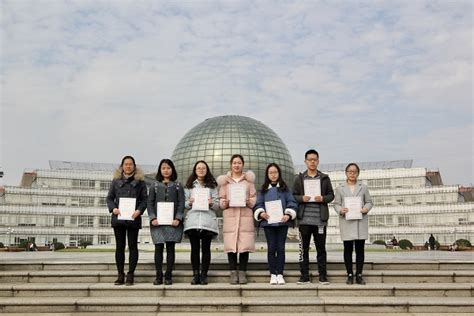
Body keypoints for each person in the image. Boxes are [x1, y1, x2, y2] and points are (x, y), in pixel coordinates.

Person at [293, 149, 334, 285]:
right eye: (309, 159)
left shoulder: (324, 178)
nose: (312, 162)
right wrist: (301, 198)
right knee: (303, 249)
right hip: (304, 219)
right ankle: (304, 276)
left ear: (318, 161)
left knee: (321, 248)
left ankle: (322, 276)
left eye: (314, 159)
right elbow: (293, 196)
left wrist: (322, 198)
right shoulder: (299, 178)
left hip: (320, 220)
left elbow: (331, 195)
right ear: (305, 161)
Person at [106, 155, 147, 286]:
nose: (128, 166)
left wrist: (139, 211)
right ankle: (120, 274)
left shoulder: (140, 182)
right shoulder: (115, 181)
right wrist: (113, 209)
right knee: (119, 247)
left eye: (130, 164)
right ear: (122, 166)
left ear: (134, 166)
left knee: (133, 246)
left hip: (133, 218)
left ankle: (130, 274)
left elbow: (144, 200)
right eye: (126, 164)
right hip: (119, 219)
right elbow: (109, 198)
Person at [254, 163, 297, 285]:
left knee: (281, 249)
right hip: (269, 224)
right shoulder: (263, 190)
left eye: (275, 172)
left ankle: (280, 274)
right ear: (267, 175)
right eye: (271, 173)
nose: (273, 175)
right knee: (271, 248)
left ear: (279, 174)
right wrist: (261, 213)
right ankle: (273, 274)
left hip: (282, 223)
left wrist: (288, 214)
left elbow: (292, 202)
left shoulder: (285, 189)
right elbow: (258, 204)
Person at [217, 154, 256, 284]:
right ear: (231, 165)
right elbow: (221, 199)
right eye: (234, 163)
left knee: (244, 245)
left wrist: (249, 201)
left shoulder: (248, 182)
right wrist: (225, 202)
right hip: (231, 217)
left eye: (239, 163)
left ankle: (243, 272)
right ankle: (233, 272)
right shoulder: (225, 183)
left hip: (245, 216)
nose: (237, 165)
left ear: (242, 165)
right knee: (231, 245)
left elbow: (254, 198)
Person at [333, 163, 373, 285]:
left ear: (358, 173)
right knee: (348, 249)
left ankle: (359, 274)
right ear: (346, 173)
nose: (352, 173)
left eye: (354, 171)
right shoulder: (340, 188)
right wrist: (341, 210)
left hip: (360, 221)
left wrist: (366, 208)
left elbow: (369, 202)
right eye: (350, 171)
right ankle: (350, 274)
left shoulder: (364, 187)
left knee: (360, 250)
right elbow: (336, 204)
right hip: (347, 221)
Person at [147, 159, 184, 285]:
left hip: (173, 223)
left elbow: (181, 203)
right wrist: (152, 218)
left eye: (168, 168)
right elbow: (150, 203)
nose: (166, 170)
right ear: (160, 170)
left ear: (172, 169)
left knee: (170, 248)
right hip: (157, 223)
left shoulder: (178, 185)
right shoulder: (154, 185)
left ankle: (168, 275)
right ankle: (158, 275)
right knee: (158, 248)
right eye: (163, 168)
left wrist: (178, 218)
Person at [184, 160, 219, 285]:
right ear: (195, 170)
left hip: (207, 222)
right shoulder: (189, 186)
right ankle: (195, 275)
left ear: (207, 170)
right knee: (194, 249)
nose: (201, 170)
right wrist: (189, 202)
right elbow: (183, 203)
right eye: (198, 168)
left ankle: (204, 275)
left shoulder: (212, 186)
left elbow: (218, 205)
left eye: (203, 168)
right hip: (193, 221)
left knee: (205, 249)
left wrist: (212, 203)